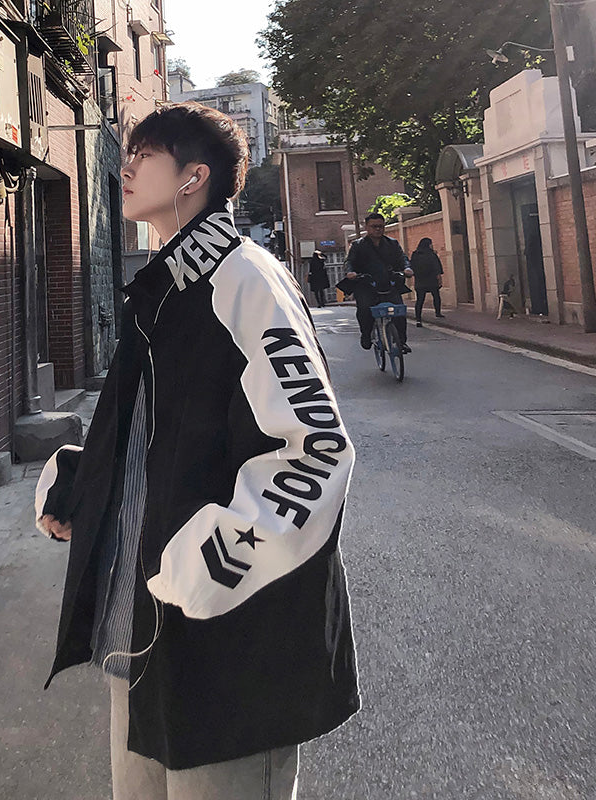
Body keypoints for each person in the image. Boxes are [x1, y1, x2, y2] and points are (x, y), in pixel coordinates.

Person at [34, 102, 359, 800]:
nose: (125, 168)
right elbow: (155, 432)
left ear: (194, 176)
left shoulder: (245, 279)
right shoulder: (162, 288)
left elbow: (316, 448)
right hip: (138, 639)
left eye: (144, 155)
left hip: (229, 653)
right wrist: (83, 484)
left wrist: (213, 563)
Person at [343, 212, 413, 352]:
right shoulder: (358, 245)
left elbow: (402, 258)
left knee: (399, 311)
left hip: (389, 283)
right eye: (374, 226)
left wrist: (407, 268)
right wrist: (351, 272)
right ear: (366, 227)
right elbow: (349, 261)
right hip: (366, 285)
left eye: (381, 226)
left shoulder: (392, 244)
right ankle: (366, 335)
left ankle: (401, 341)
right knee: (364, 310)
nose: (378, 229)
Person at [410, 237, 444, 327]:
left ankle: (418, 319)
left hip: (420, 281)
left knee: (420, 300)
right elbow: (437, 267)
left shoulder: (415, 254)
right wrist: (439, 278)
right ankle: (438, 313)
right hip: (431, 280)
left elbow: (411, 266)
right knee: (436, 296)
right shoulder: (431, 254)